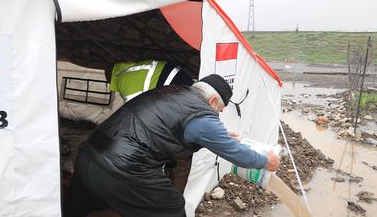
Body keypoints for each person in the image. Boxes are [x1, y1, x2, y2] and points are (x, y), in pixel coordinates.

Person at [64, 74, 281, 217]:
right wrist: (265, 161)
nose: (218, 115)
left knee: (75, 206)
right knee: (172, 208)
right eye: (220, 110)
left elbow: (167, 129)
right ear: (213, 101)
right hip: (123, 169)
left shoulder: (172, 93)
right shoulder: (203, 114)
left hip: (88, 154)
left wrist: (220, 139)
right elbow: (236, 155)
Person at [107, 60, 194, 101]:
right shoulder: (129, 69)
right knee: (196, 95)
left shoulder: (122, 83)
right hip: (174, 71)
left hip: (166, 84)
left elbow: (134, 108)